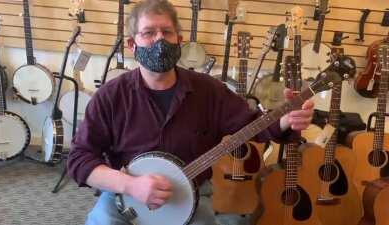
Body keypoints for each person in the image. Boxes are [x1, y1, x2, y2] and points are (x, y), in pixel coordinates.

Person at [67, 0, 314, 224]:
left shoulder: (209, 91)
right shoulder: (111, 96)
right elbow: (80, 159)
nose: (159, 40)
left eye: (167, 32)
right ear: (133, 44)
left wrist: (284, 120)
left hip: (191, 192)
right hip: (125, 196)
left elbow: (253, 125)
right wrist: (131, 185)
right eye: (149, 33)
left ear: (179, 41)